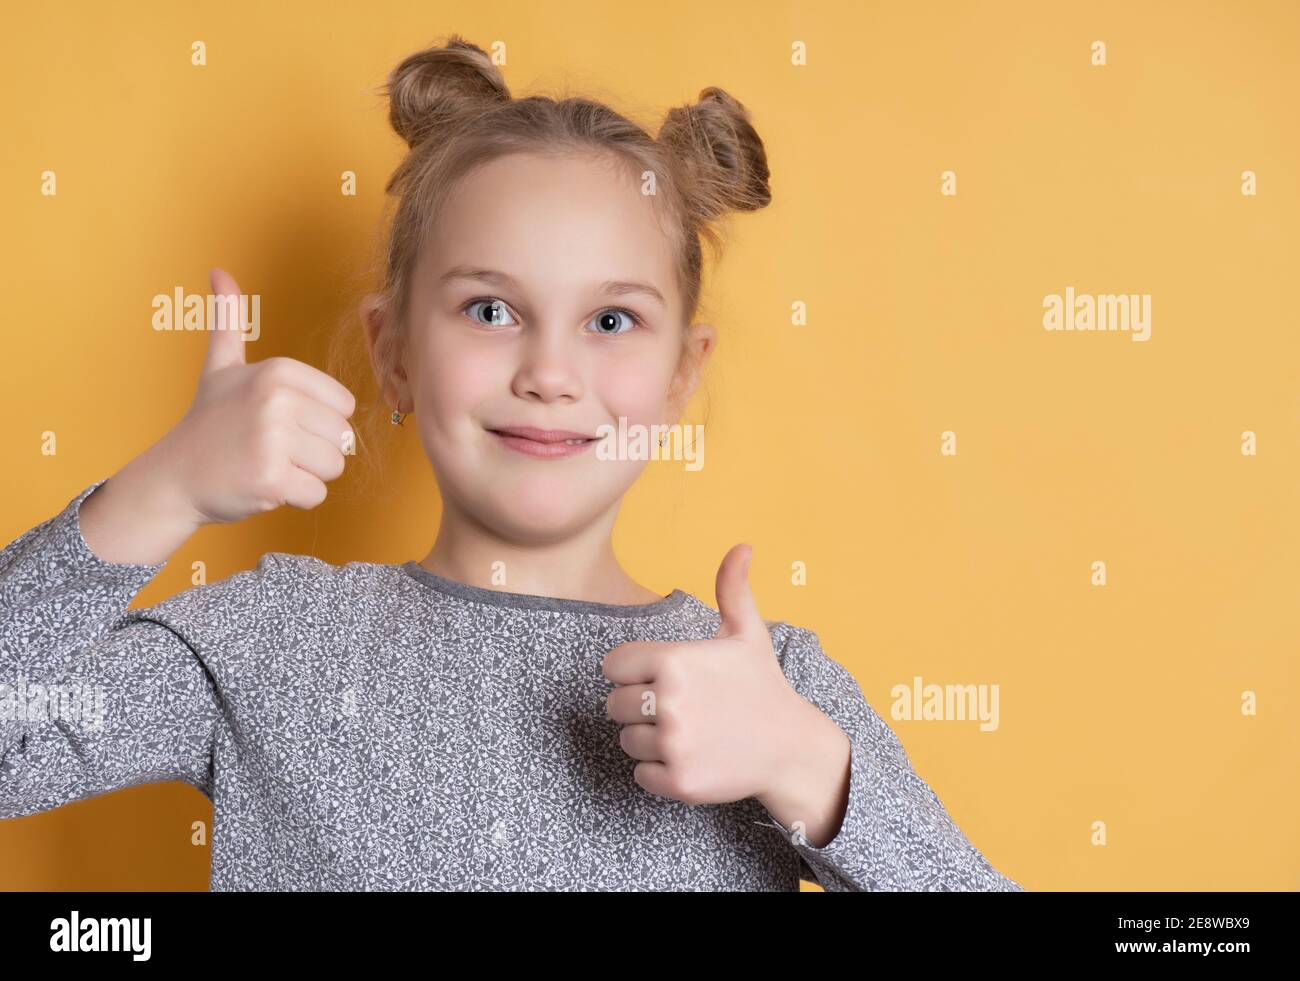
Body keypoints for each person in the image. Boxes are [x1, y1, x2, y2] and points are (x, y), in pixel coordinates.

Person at [0, 35, 1022, 892]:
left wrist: (806, 767)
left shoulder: (764, 689)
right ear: (394, 356)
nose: (549, 371)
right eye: (491, 310)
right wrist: (156, 493)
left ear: (679, 375)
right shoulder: (264, 642)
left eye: (611, 320)